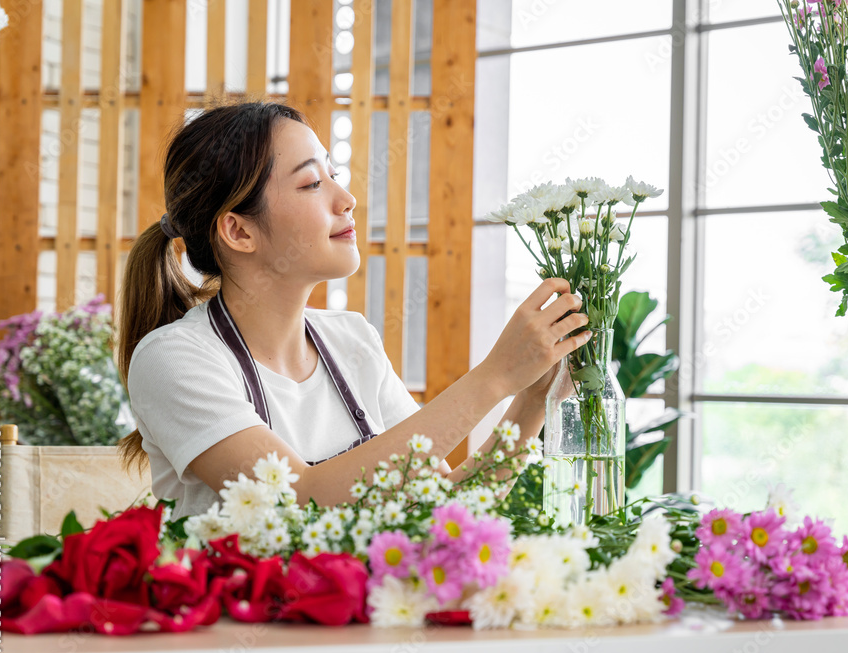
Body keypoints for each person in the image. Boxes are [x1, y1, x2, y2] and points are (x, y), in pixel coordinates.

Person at [117, 102, 591, 518]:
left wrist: (530, 401)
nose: (347, 200)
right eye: (310, 184)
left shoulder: (351, 339)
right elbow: (297, 500)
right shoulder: (174, 358)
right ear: (239, 232)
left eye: (334, 177)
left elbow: (444, 507)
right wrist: (494, 377)